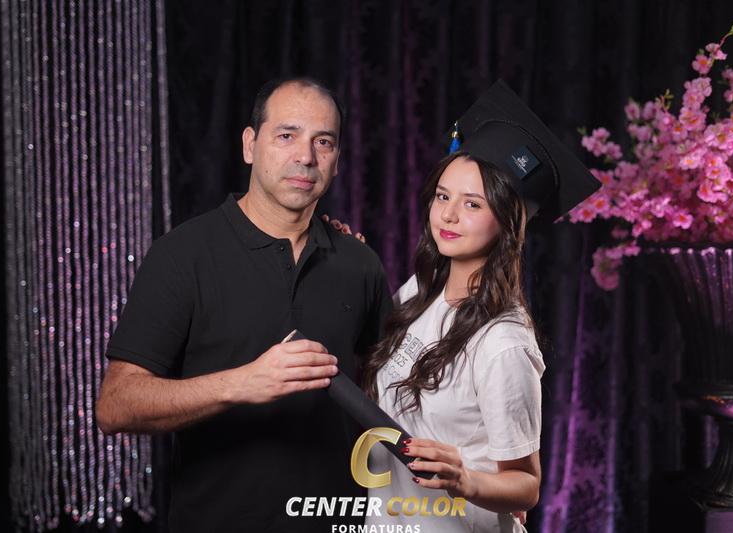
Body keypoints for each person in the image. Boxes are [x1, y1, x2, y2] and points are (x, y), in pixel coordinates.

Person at [95, 77, 392, 533]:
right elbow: (115, 406)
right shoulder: (183, 255)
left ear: (337, 161)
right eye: (287, 135)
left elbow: (389, 392)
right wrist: (241, 383)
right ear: (250, 145)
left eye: (324, 142)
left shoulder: (360, 263)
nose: (306, 157)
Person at [362, 81, 601, 532]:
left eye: (473, 203)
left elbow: (525, 485)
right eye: (443, 196)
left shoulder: (502, 343)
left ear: (507, 222)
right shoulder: (418, 293)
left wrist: (466, 479)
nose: (448, 215)